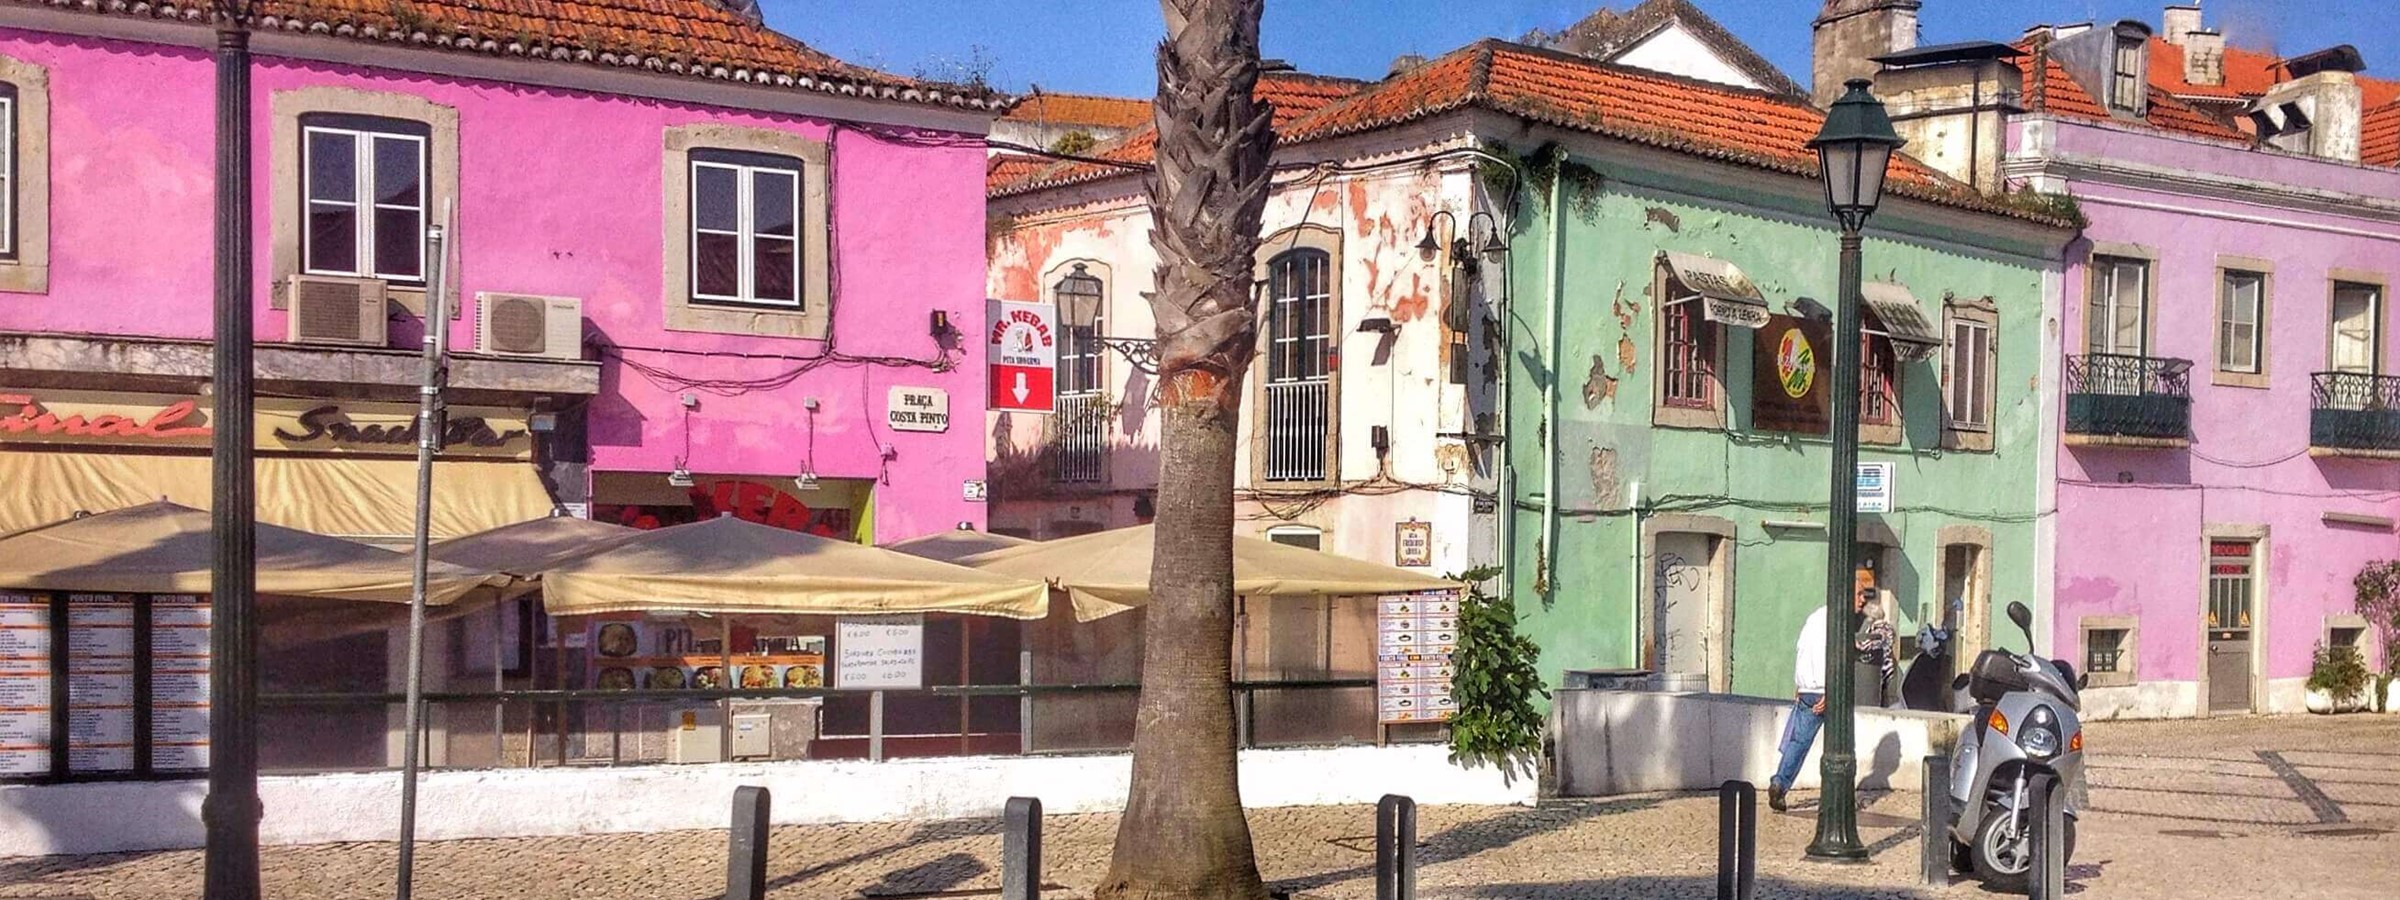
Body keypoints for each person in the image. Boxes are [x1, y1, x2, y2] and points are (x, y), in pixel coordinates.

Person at [1769, 582, 1875, 812]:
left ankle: (1780, 783)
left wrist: (1800, 683)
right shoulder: (1839, 621)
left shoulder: (1816, 617)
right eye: (1858, 594)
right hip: (1826, 690)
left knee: (1799, 743)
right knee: (1844, 745)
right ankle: (1841, 796)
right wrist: (1829, 689)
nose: (1862, 600)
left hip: (1807, 689)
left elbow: (1803, 649)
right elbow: (1831, 657)